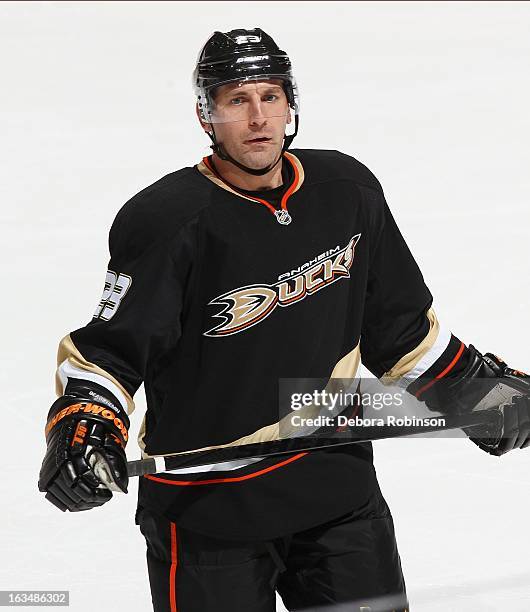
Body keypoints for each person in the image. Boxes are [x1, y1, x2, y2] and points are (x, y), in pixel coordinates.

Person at [38, 28, 530, 612]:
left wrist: (480, 393)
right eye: (236, 100)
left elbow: (400, 331)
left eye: (270, 96)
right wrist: (84, 424)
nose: (257, 117)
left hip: (336, 494)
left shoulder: (345, 191)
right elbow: (111, 353)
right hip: (207, 515)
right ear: (206, 115)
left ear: (291, 103)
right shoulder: (166, 221)